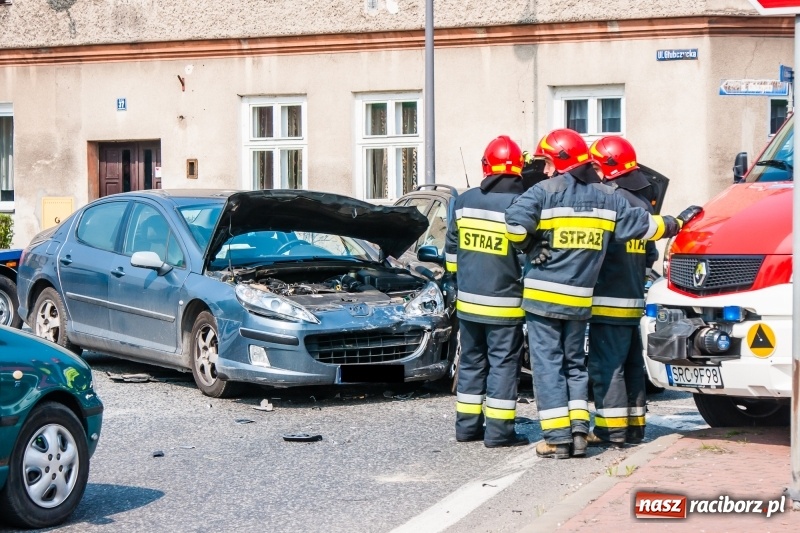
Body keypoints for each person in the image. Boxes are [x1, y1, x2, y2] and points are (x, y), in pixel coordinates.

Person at [504, 128, 701, 459]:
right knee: (575, 366)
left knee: (549, 366)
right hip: (581, 301)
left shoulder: (542, 191)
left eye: (546, 162)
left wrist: (531, 244)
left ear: (557, 161)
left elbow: (515, 226)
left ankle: (557, 439)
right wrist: (678, 222)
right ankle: (579, 431)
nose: (544, 168)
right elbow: (649, 228)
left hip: (543, 299)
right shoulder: (609, 199)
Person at [445, 135, 529, 448]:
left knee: (471, 362)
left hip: (468, 303)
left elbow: (451, 251)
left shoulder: (464, 200)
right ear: (518, 169)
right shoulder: (520, 205)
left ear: (485, 166)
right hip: (505, 305)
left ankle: (466, 428)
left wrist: (460, 280)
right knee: (504, 366)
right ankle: (499, 432)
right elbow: (526, 257)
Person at [586, 136, 661, 448]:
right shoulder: (642, 204)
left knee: (607, 367)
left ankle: (610, 431)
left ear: (606, 168)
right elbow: (650, 256)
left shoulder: (611, 202)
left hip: (607, 299)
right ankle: (634, 427)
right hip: (632, 298)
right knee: (631, 365)